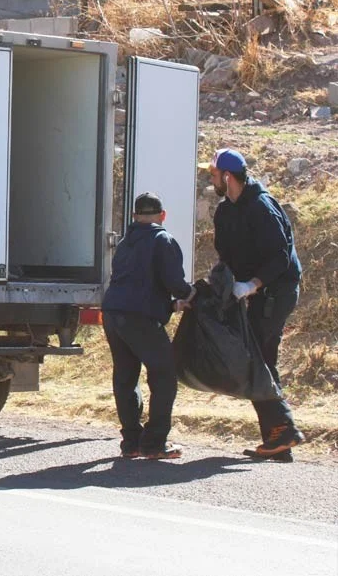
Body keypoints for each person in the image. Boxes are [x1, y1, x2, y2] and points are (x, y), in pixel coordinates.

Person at [201, 149, 305, 460]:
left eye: (214, 174)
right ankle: (278, 440)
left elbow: (280, 257)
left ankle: (283, 430)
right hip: (254, 292)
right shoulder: (226, 211)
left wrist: (252, 285)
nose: (212, 179)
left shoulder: (262, 207)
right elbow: (226, 255)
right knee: (259, 359)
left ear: (228, 177)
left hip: (277, 291)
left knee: (257, 360)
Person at [102, 192, 196, 460]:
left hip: (112, 313)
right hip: (138, 317)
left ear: (134, 217)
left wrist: (169, 306)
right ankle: (154, 443)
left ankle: (131, 441)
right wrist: (190, 295)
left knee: (125, 375)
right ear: (162, 215)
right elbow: (174, 284)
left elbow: (135, 284)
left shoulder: (124, 243)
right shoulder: (162, 239)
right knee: (164, 374)